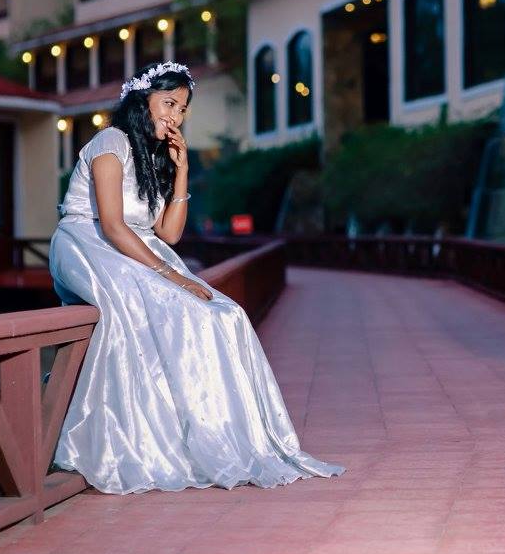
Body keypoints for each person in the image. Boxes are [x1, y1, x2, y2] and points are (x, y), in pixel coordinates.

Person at [49, 61, 343, 494]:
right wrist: (173, 276)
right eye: (168, 102)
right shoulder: (111, 141)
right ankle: (143, 440)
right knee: (164, 304)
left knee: (226, 315)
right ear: (142, 99)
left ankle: (214, 438)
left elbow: (167, 232)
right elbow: (112, 223)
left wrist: (182, 168)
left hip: (139, 247)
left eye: (182, 108)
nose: (175, 116)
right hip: (87, 240)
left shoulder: (154, 156)